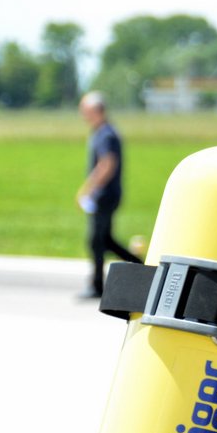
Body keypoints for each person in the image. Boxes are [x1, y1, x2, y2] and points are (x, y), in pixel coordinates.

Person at [75, 91, 140, 299]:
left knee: (96, 241)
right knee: (105, 240)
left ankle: (97, 286)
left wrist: (88, 189)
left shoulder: (106, 134)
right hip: (106, 195)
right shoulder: (104, 132)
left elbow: (107, 164)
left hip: (104, 195)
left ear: (95, 110)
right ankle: (138, 265)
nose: (83, 115)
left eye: (84, 110)